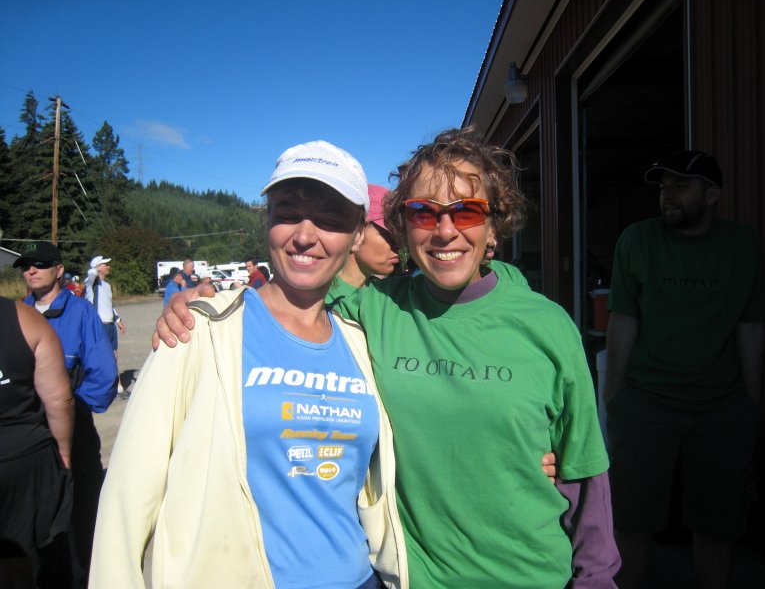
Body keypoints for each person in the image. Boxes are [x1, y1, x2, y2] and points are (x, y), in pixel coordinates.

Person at [156, 128, 617, 587]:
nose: (445, 230)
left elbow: (584, 471)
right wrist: (207, 300)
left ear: (494, 224)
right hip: (417, 579)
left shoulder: (547, 325)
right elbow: (288, 294)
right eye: (422, 212)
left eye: (468, 211)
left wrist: (596, 579)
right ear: (400, 226)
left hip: (532, 574)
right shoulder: (373, 309)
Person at [90, 140, 406, 589]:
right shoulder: (199, 330)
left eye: (331, 220)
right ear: (268, 222)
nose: (304, 235)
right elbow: (126, 495)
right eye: (288, 212)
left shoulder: (361, 342)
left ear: (357, 235)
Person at [603, 150, 765, 589]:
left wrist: (751, 404)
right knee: (631, 524)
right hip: (646, 406)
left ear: (711, 194)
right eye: (663, 187)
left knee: (717, 527)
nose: (667, 195)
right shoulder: (637, 240)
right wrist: (614, 399)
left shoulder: (742, 244)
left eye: (680, 186)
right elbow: (623, 320)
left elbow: (750, 327)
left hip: (721, 410)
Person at [14, 241, 118, 587]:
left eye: (40, 264)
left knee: (83, 514)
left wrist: (69, 408)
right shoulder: (15, 315)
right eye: (26, 265)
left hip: (75, 432)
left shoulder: (81, 314)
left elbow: (103, 376)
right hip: (30, 439)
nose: (31, 270)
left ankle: (93, 576)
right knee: (37, 523)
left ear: (59, 270)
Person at [0, 297, 74, 589]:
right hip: (22, 461)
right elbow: (59, 399)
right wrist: (64, 453)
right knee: (21, 561)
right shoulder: (23, 317)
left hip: (19, 459)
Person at [329, 184, 400, 301]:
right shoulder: (317, 298)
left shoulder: (390, 299)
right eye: (388, 235)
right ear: (358, 232)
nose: (397, 245)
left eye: (399, 238)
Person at [85, 255, 127, 399]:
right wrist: (95, 269)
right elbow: (90, 276)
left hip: (110, 325)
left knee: (114, 356)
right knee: (103, 358)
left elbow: (110, 305)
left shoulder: (107, 286)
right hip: (99, 325)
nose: (108, 267)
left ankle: (118, 388)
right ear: (98, 267)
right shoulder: (92, 284)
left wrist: (118, 319)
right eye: (105, 265)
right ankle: (105, 389)